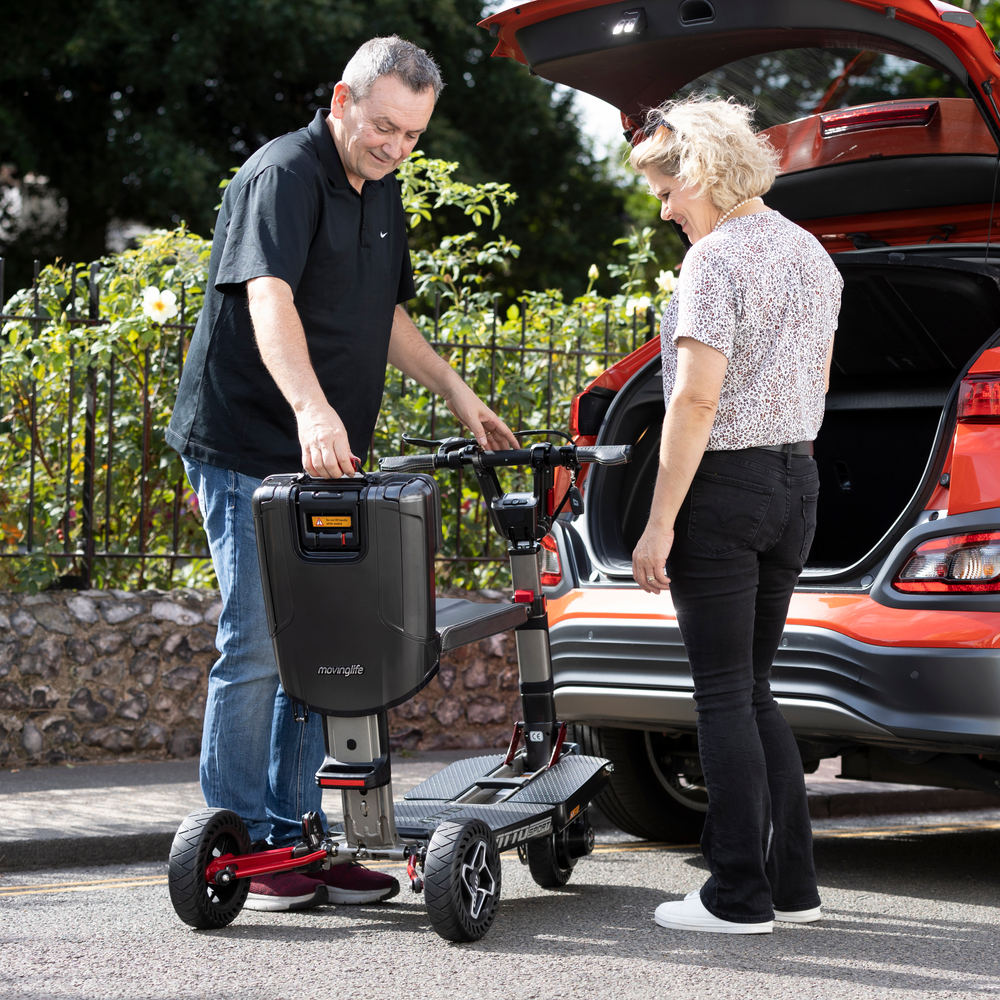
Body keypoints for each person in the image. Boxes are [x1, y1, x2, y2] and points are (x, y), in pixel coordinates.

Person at [166, 36, 517, 912]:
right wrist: (312, 410)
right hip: (250, 443)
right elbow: (267, 297)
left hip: (322, 458)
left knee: (319, 647)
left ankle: (296, 843)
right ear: (342, 100)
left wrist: (459, 394)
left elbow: (383, 312)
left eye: (413, 136)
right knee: (256, 643)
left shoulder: (383, 187)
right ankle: (238, 838)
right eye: (386, 127)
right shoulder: (281, 174)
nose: (397, 147)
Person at [628, 95, 843, 934]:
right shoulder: (812, 254)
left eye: (666, 188)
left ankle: (737, 897)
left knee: (721, 693)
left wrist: (658, 523)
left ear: (704, 173)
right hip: (798, 485)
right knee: (754, 689)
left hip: (724, 489)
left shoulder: (714, 261)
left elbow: (695, 399)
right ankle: (792, 889)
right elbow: (819, 383)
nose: (664, 206)